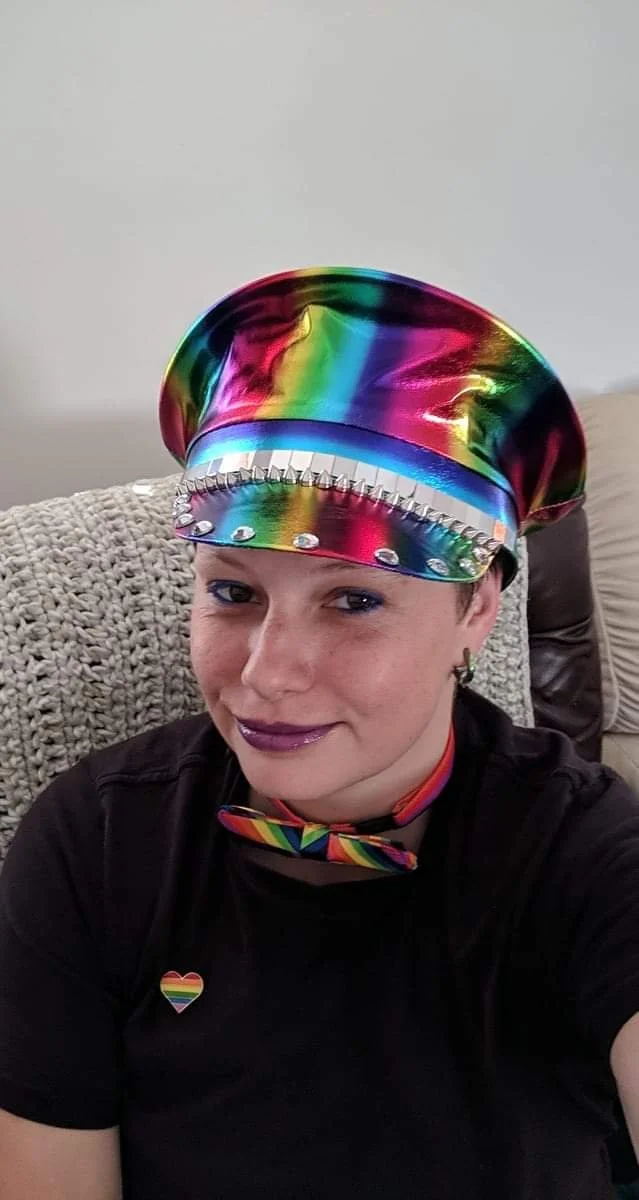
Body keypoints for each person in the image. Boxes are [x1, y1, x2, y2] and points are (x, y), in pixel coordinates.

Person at [0, 266, 637, 1200]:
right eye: (232, 592)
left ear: (477, 612)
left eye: (353, 600)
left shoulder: (579, 850)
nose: (265, 675)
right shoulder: (96, 841)